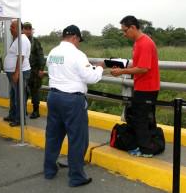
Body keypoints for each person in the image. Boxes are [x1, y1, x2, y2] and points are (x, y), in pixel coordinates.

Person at [44, 25, 103, 187]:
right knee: (77, 138)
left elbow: (54, 70)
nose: (79, 44)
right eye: (79, 41)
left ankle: (49, 170)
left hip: (53, 97)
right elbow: (90, 77)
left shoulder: (53, 52)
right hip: (72, 100)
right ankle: (76, 177)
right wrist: (99, 68)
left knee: (53, 136)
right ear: (75, 38)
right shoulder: (78, 54)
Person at [111, 15, 160, 157]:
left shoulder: (144, 43)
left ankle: (146, 150)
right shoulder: (138, 42)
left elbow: (144, 68)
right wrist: (122, 67)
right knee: (144, 117)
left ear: (133, 27)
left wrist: (122, 71)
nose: (124, 34)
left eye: (125, 30)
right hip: (143, 86)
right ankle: (148, 144)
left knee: (141, 119)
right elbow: (138, 64)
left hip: (147, 87)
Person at [3, 19, 31, 127]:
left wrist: (16, 73)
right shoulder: (17, 39)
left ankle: (20, 119)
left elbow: (21, 57)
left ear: (19, 28)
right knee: (14, 94)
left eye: (12, 27)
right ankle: (13, 115)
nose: (10, 29)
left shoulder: (22, 40)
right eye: (10, 27)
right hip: (15, 72)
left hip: (20, 72)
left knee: (19, 96)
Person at [22, 22, 45, 119]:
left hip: (34, 72)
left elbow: (41, 57)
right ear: (22, 30)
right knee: (24, 91)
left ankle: (36, 111)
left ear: (31, 30)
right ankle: (23, 110)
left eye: (29, 29)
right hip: (24, 71)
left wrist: (41, 69)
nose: (27, 31)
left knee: (35, 92)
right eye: (25, 29)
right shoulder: (21, 41)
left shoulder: (35, 42)